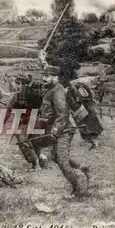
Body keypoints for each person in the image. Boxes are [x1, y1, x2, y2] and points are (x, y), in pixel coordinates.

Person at [33, 63, 91, 197]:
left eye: (47, 76)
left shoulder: (58, 91)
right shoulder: (51, 90)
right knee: (56, 157)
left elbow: (62, 114)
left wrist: (54, 131)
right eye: (44, 76)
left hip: (63, 131)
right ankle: (83, 167)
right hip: (58, 130)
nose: (44, 79)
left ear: (56, 77)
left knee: (62, 160)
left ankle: (79, 190)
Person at [5, 75, 47, 170]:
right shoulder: (34, 94)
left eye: (17, 83)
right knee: (34, 141)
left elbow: (9, 109)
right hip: (37, 120)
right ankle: (41, 157)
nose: (15, 86)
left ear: (20, 84)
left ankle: (36, 164)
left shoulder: (17, 96)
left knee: (23, 142)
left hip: (26, 121)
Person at [66, 79, 104, 150]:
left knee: (86, 127)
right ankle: (93, 141)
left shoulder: (74, 89)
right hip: (85, 110)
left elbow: (76, 101)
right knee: (89, 127)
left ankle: (94, 142)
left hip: (82, 111)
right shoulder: (80, 87)